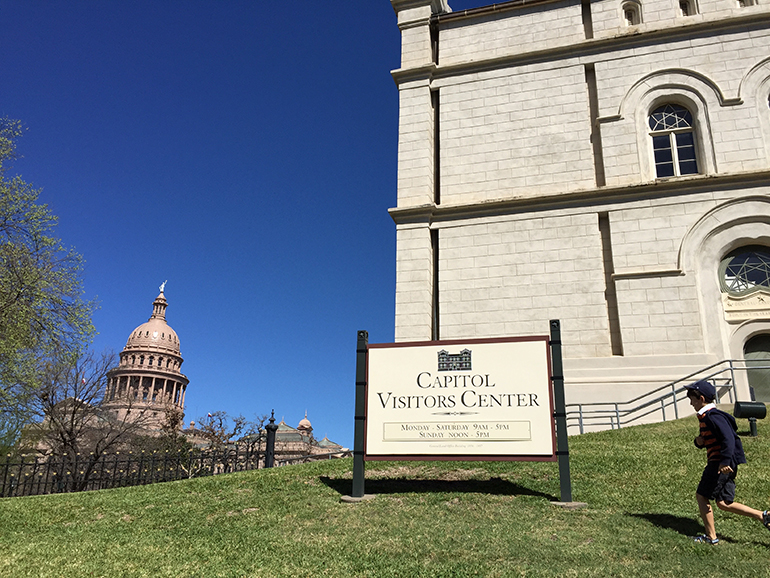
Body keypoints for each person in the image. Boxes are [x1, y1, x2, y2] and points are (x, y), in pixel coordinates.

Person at [685, 380, 770, 544]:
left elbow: (728, 439)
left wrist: (723, 462)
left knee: (702, 496)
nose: (691, 403)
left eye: (692, 399)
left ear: (701, 398)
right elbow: (711, 439)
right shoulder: (708, 416)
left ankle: (711, 537)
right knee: (724, 503)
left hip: (720, 464)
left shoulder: (712, 417)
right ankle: (762, 515)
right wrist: (699, 442)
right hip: (726, 463)